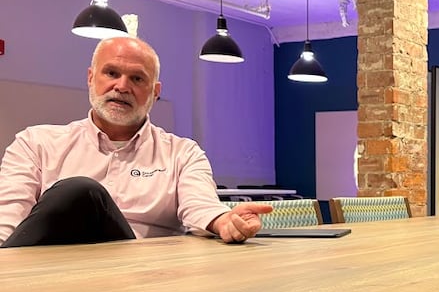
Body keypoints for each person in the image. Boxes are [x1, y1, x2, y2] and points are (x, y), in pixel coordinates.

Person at [0, 36, 270, 247]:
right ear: (91, 78)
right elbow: (7, 220)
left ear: (155, 92)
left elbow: (200, 204)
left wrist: (224, 221)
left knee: (81, 193)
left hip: (142, 278)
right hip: (49, 276)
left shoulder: (182, 153)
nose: (122, 86)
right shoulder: (34, 143)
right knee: (76, 193)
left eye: (137, 78)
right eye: (112, 73)